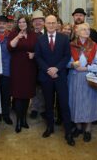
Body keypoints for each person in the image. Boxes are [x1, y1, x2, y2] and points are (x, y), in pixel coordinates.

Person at [34, 15, 75, 146]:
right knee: (48, 104)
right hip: (46, 76)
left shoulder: (64, 38)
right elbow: (38, 57)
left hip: (60, 75)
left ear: (57, 24)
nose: (51, 25)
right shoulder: (40, 39)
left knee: (64, 104)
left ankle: (68, 132)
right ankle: (50, 127)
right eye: (48, 23)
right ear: (45, 24)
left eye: (53, 23)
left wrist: (56, 69)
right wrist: (48, 70)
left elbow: (67, 56)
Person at [67, 23, 97, 142]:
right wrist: (72, 64)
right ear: (77, 31)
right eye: (83, 29)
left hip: (89, 78)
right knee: (75, 102)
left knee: (89, 103)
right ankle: (77, 127)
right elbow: (64, 63)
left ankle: (87, 129)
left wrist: (86, 68)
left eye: (88, 29)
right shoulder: (70, 46)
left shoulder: (95, 46)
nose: (87, 31)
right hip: (74, 78)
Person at [7, 15, 38, 133]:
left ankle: (24, 119)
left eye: (23, 22)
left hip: (30, 68)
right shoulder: (13, 33)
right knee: (18, 95)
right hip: (17, 68)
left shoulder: (33, 35)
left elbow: (38, 49)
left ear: (27, 23)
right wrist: (18, 37)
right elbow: (10, 47)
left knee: (26, 95)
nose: (21, 24)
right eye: (19, 22)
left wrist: (34, 55)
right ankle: (19, 121)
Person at [0, 15, 13, 125]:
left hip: (7, 70)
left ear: (6, 25)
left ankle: (6, 115)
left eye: (3, 23)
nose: (1, 25)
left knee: (6, 95)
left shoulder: (11, 37)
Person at [30, 10, 46, 120]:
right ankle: (34, 108)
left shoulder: (48, 33)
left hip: (45, 65)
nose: (37, 23)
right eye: (35, 21)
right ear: (32, 23)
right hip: (32, 65)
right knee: (34, 88)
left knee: (44, 88)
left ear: (44, 22)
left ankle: (44, 109)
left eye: (40, 21)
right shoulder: (30, 34)